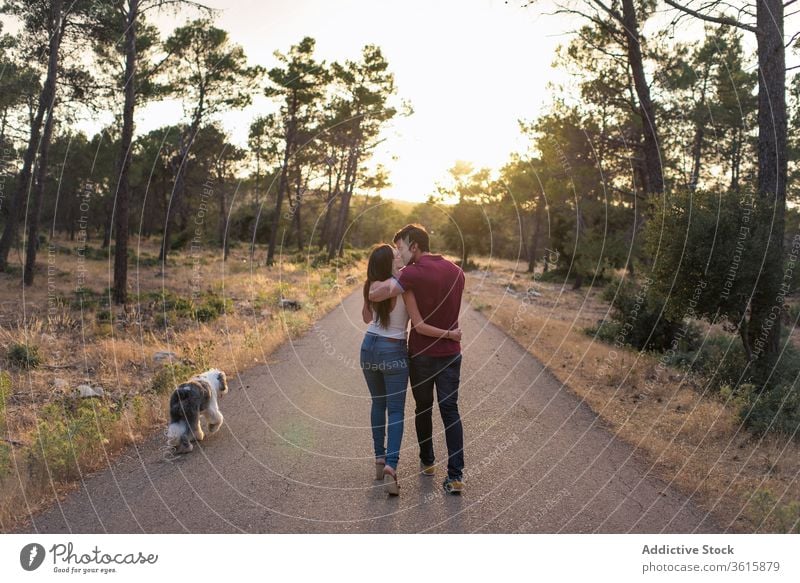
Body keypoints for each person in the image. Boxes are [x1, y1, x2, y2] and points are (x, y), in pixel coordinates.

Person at [369, 224, 466, 495]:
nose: (398, 253)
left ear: (414, 246)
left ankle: (428, 462)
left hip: (422, 355)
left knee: (423, 408)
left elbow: (382, 293)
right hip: (451, 354)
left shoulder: (412, 273)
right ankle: (455, 476)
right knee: (451, 411)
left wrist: (371, 289)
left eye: (400, 247)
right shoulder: (457, 272)